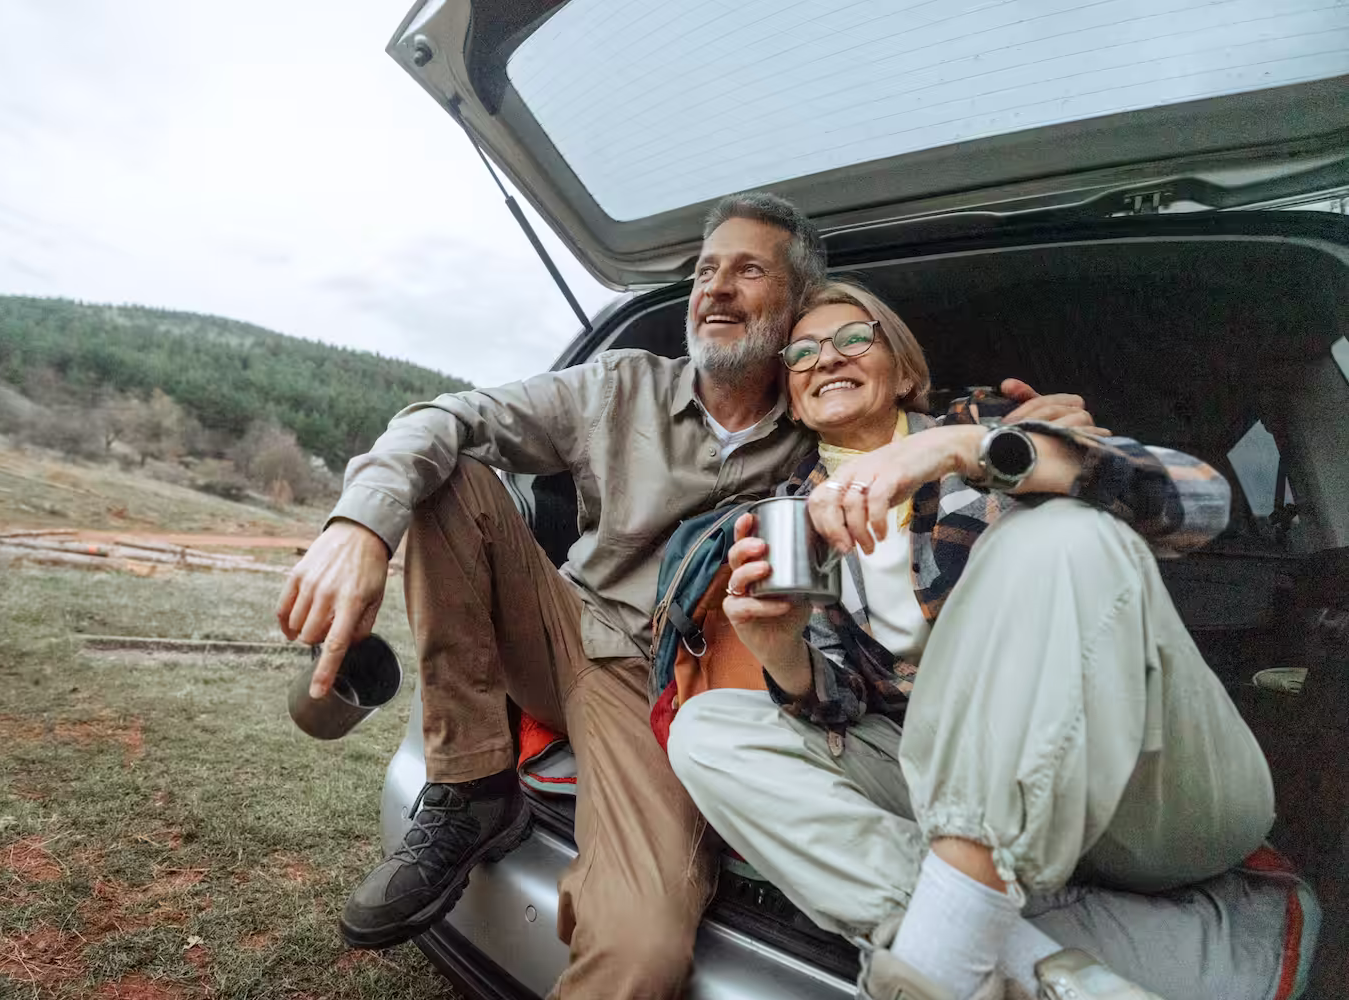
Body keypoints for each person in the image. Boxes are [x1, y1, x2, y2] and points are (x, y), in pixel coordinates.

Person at [276, 196, 1098, 999]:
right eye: (706, 271)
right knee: (450, 471)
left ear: (796, 307)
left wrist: (1013, 434)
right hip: (564, 624)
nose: (716, 289)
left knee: (639, 950)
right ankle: (470, 787)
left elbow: (902, 417)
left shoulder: (821, 419)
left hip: (671, 689)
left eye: (749, 271)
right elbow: (446, 416)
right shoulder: (619, 384)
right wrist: (361, 527)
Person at [666, 281, 1280, 1000]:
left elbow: (1201, 503)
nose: (826, 358)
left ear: (903, 370)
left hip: (1135, 788)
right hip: (952, 787)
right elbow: (843, 705)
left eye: (853, 338)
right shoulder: (800, 514)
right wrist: (781, 651)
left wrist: (968, 448)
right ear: (794, 401)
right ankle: (1011, 946)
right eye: (801, 353)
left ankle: (945, 954)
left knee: (1060, 533)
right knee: (706, 729)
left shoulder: (1001, 427)